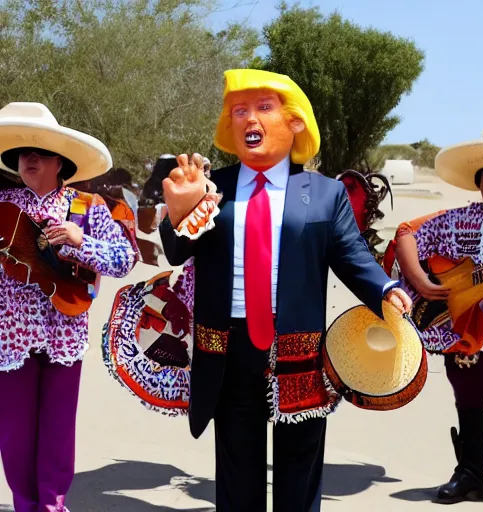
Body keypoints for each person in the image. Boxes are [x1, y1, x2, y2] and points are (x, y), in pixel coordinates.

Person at [158, 68, 412, 511]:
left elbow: (351, 256)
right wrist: (178, 213)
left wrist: (385, 288)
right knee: (237, 467)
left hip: (300, 349)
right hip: (227, 346)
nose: (248, 119)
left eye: (263, 108)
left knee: (300, 464)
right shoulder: (210, 187)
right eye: (239, 110)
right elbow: (177, 252)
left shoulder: (325, 193)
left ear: (294, 122)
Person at [0, 102, 138, 512]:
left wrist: (82, 242)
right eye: (24, 153)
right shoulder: (3, 204)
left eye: (40, 152)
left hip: (66, 333)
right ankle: (25, 505)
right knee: (15, 434)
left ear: (60, 161)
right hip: (10, 338)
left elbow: (124, 259)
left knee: (58, 432)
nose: (30, 159)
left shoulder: (89, 206)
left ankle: (53, 507)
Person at [395, 128, 483, 507]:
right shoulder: (455, 220)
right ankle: (469, 475)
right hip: (462, 330)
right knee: (470, 401)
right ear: (478, 180)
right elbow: (406, 233)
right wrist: (420, 281)